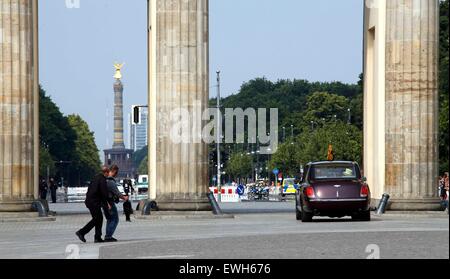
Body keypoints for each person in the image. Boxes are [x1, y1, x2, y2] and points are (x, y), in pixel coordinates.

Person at [76, 167, 110, 243]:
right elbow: (104, 193)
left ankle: (97, 237)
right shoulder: (103, 179)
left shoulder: (95, 177)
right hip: (94, 202)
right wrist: (107, 204)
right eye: (108, 173)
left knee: (99, 218)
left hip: (90, 201)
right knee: (97, 219)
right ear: (106, 173)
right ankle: (81, 232)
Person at [104, 165, 129, 242]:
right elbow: (117, 193)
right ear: (114, 171)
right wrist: (124, 198)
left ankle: (108, 235)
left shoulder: (105, 180)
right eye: (116, 172)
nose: (117, 174)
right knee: (115, 219)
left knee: (110, 219)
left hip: (105, 202)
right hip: (110, 202)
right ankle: (108, 236)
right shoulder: (110, 181)